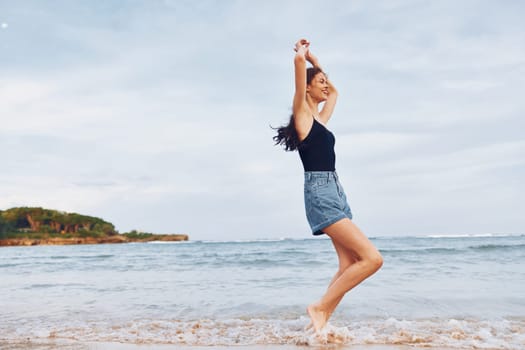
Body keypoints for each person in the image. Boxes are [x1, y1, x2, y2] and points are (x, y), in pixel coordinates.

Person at [273, 39, 383, 333]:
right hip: (320, 191)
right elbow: (299, 67)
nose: (325, 85)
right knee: (372, 259)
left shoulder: (320, 120)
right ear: (306, 88)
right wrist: (303, 55)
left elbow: (335, 91)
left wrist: (318, 63)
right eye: (319, 82)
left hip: (335, 190)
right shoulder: (303, 114)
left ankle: (318, 325)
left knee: (349, 262)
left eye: (324, 81)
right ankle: (319, 307)